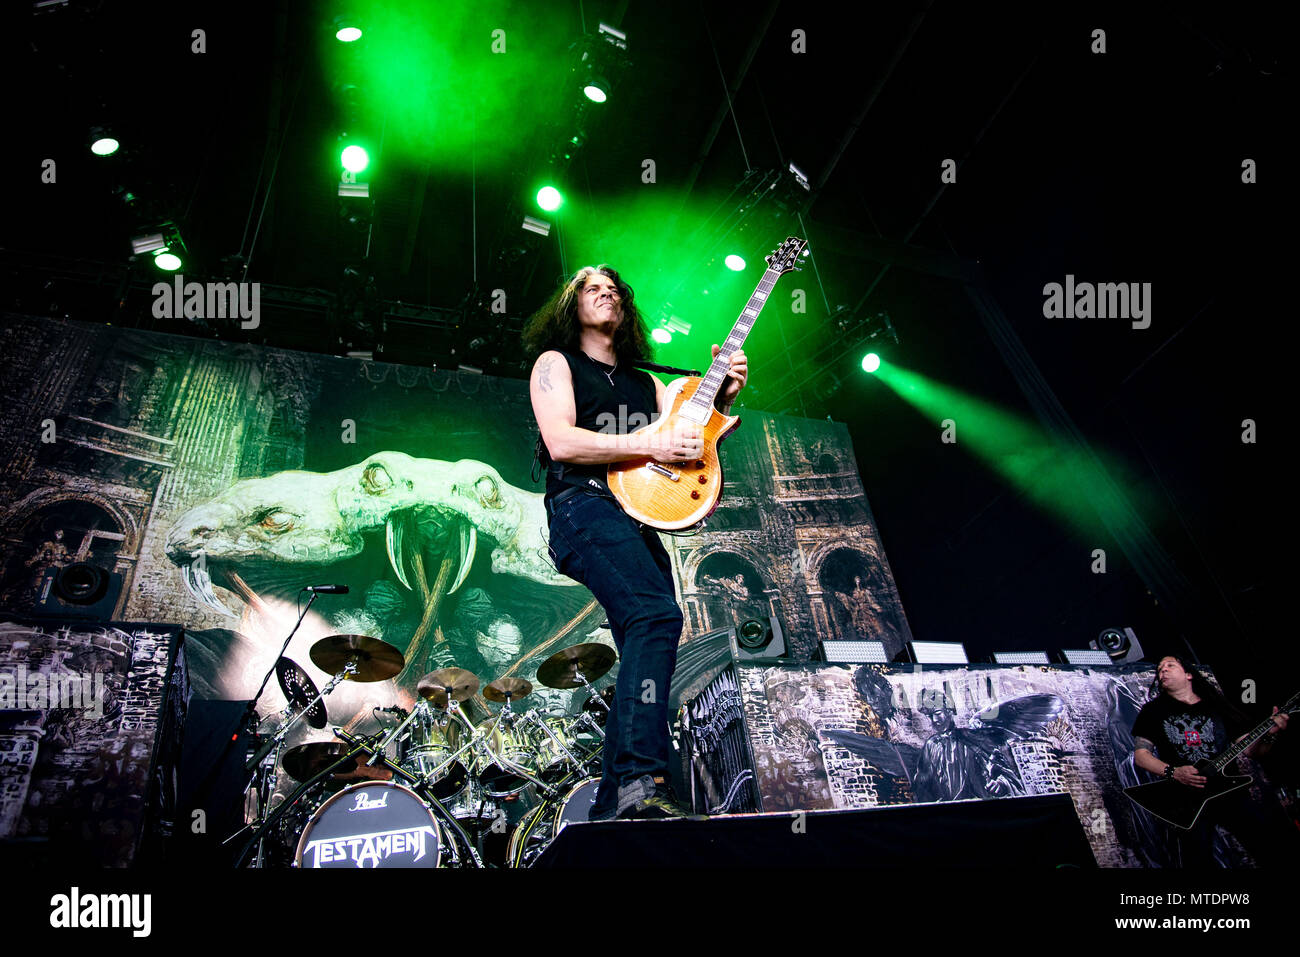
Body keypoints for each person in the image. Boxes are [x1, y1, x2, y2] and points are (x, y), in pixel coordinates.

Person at [524, 264, 746, 819]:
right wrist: (648, 440)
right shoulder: (557, 364)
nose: (606, 294)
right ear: (570, 305)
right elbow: (561, 442)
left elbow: (689, 440)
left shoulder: (649, 382)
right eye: (590, 287)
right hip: (581, 506)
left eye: (614, 288)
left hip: (636, 520)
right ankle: (640, 778)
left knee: (647, 629)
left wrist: (721, 392)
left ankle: (611, 810)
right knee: (656, 617)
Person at [1131, 655, 1294, 866]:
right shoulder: (1153, 711)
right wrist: (1174, 773)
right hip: (1187, 798)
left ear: (1188, 674)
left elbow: (1253, 751)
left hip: (1229, 791)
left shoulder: (1216, 705)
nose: (1163, 670)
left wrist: (1270, 735)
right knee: (1197, 862)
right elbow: (1141, 756)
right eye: (1160, 668)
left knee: (1268, 849)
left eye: (1170, 665)